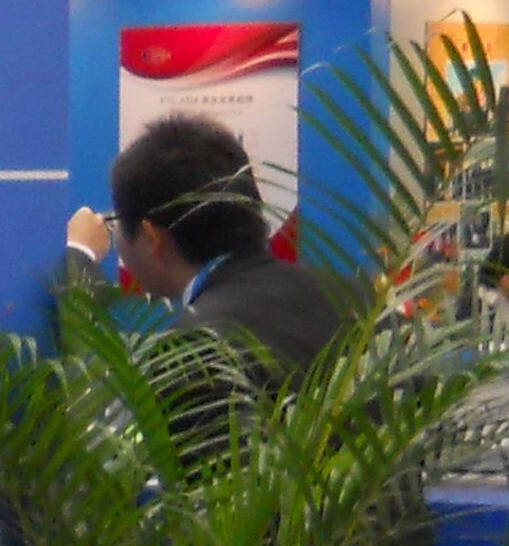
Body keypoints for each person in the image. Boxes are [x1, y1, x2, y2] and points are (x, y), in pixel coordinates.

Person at [64, 114, 346, 380]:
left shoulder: (193, 355)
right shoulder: (354, 300)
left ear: (150, 237)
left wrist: (81, 256)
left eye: (115, 222)